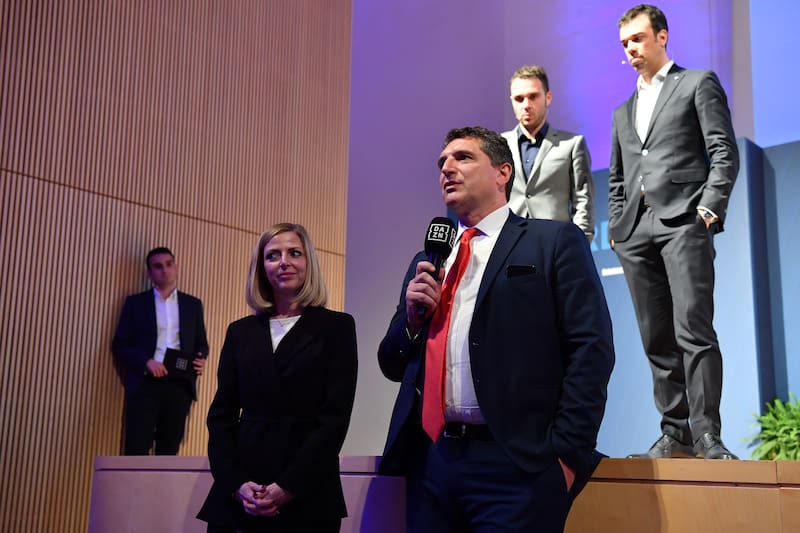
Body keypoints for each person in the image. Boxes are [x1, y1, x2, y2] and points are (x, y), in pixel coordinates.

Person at [378, 126, 614, 532]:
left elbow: (591, 348)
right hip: (432, 463)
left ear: (503, 172)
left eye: (463, 158)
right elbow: (392, 362)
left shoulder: (552, 241)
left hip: (517, 465)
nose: (447, 169)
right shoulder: (430, 259)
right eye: (441, 163)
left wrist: (566, 456)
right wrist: (413, 322)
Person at [609, 4, 739, 459]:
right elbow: (618, 177)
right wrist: (617, 228)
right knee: (655, 338)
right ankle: (675, 432)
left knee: (694, 330)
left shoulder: (697, 83)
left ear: (662, 37)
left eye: (639, 39)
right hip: (635, 232)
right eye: (625, 43)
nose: (632, 49)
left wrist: (709, 208)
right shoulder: (623, 111)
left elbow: (723, 151)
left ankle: (706, 434)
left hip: (685, 219)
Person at [197, 223, 358, 533]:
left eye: (294, 253)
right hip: (242, 492)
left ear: (308, 262)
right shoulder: (239, 332)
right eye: (273, 255)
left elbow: (334, 419)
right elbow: (221, 418)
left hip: (308, 490)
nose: (283, 261)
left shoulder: (337, 327)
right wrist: (236, 483)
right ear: (262, 268)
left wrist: (288, 486)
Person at [112, 247, 209, 455]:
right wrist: (146, 361)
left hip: (179, 385)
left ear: (176, 267)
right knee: (136, 449)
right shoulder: (135, 303)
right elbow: (120, 344)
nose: (165, 270)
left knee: (169, 450)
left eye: (169, 264)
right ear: (149, 273)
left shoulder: (192, 305)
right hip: (145, 384)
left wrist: (201, 359)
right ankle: (135, 489)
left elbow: (202, 343)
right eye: (158, 266)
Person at [501, 65, 595, 241]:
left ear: (548, 97)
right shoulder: (500, 145)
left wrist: (581, 243)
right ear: (512, 101)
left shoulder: (572, 144)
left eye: (533, 96)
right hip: (509, 244)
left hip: (555, 244)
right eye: (519, 99)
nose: (526, 105)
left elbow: (583, 201)